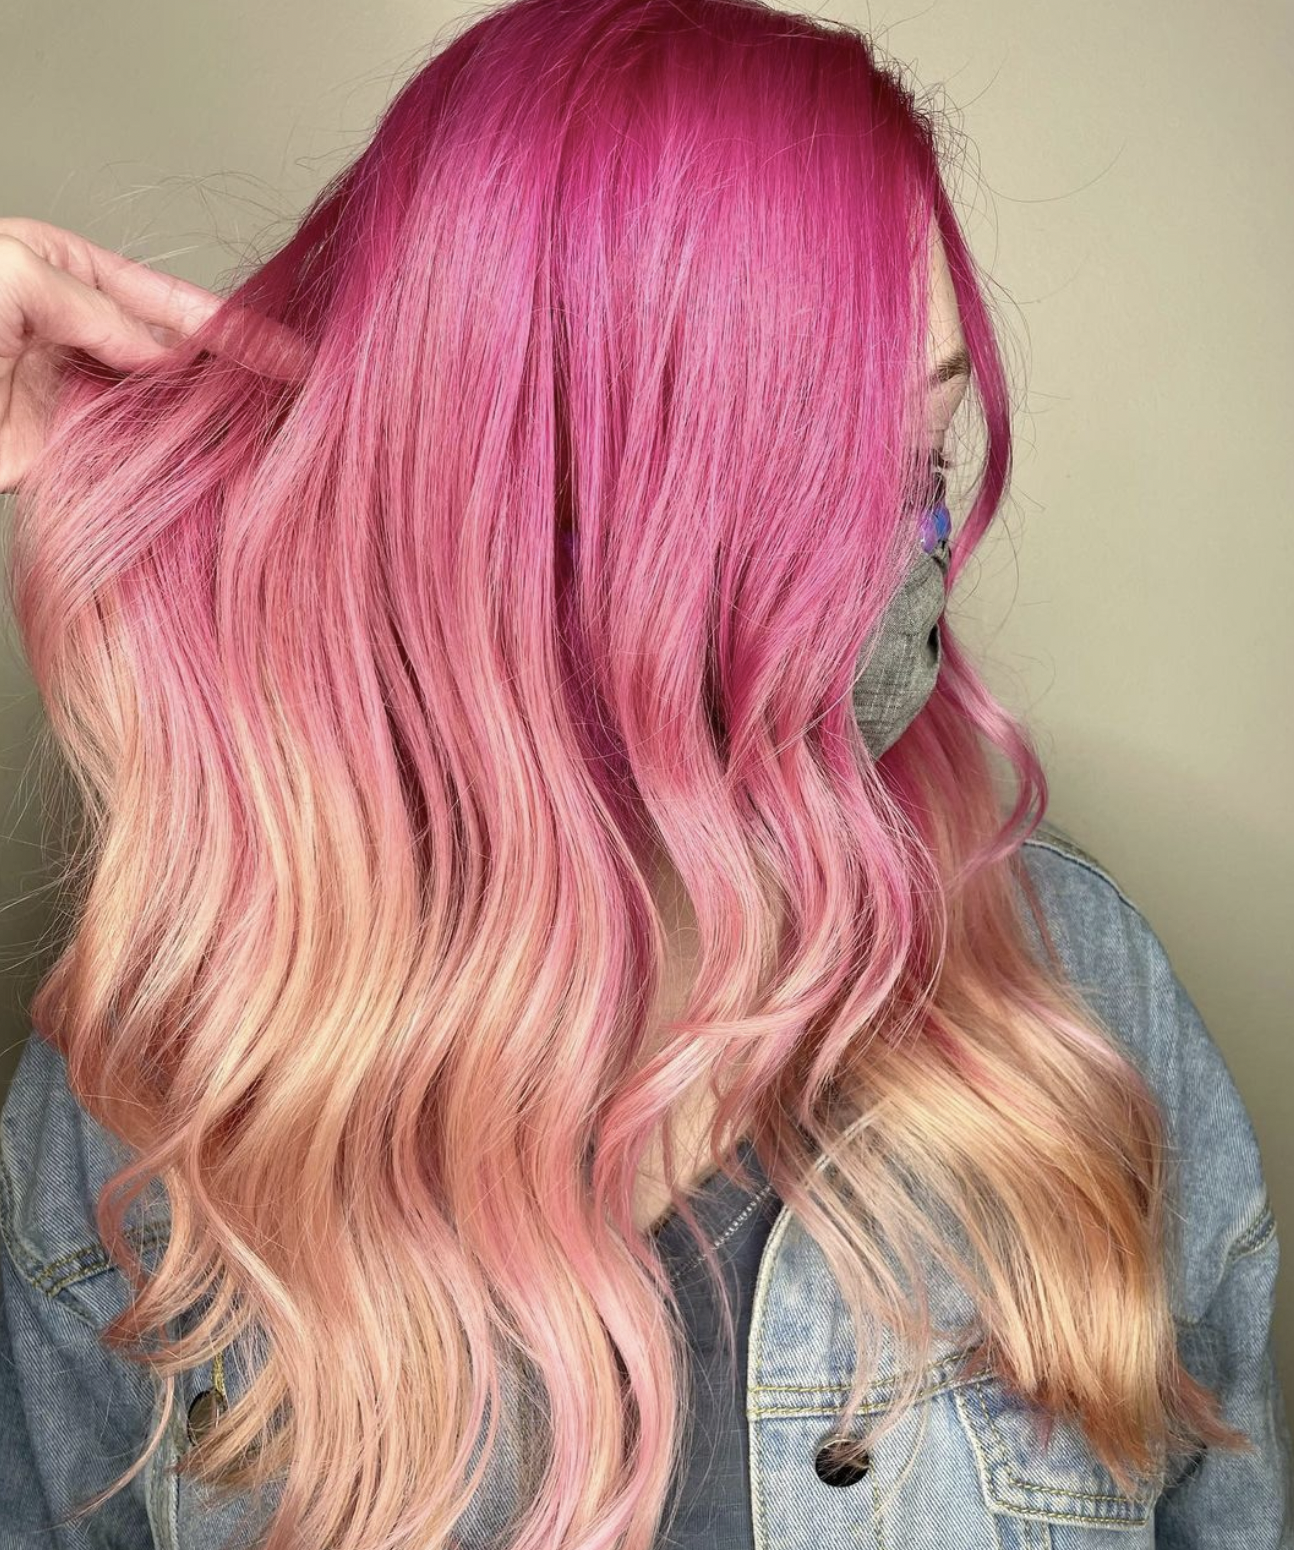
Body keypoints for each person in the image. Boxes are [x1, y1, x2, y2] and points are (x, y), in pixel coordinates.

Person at [0, 1, 1290, 1547]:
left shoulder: (1078, 998)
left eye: (919, 458)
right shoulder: (159, 1094)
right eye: (793, 478)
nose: (896, 570)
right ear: (509, 501)